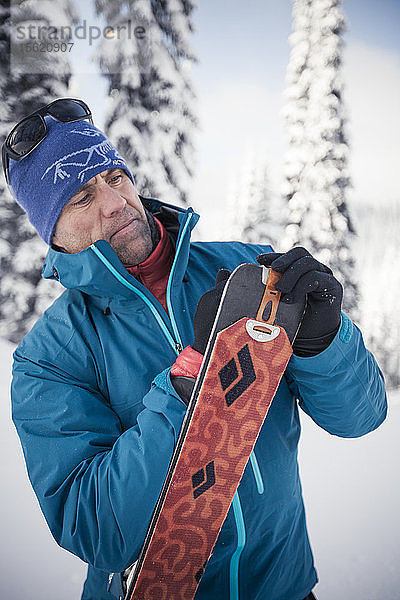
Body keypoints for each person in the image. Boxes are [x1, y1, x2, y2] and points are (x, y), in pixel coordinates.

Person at [3, 98, 387, 600]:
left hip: (285, 586)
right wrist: (192, 381)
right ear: (53, 234)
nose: (114, 202)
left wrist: (324, 340)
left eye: (114, 178)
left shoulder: (246, 273)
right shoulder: (49, 357)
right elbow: (97, 529)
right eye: (80, 199)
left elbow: (361, 417)